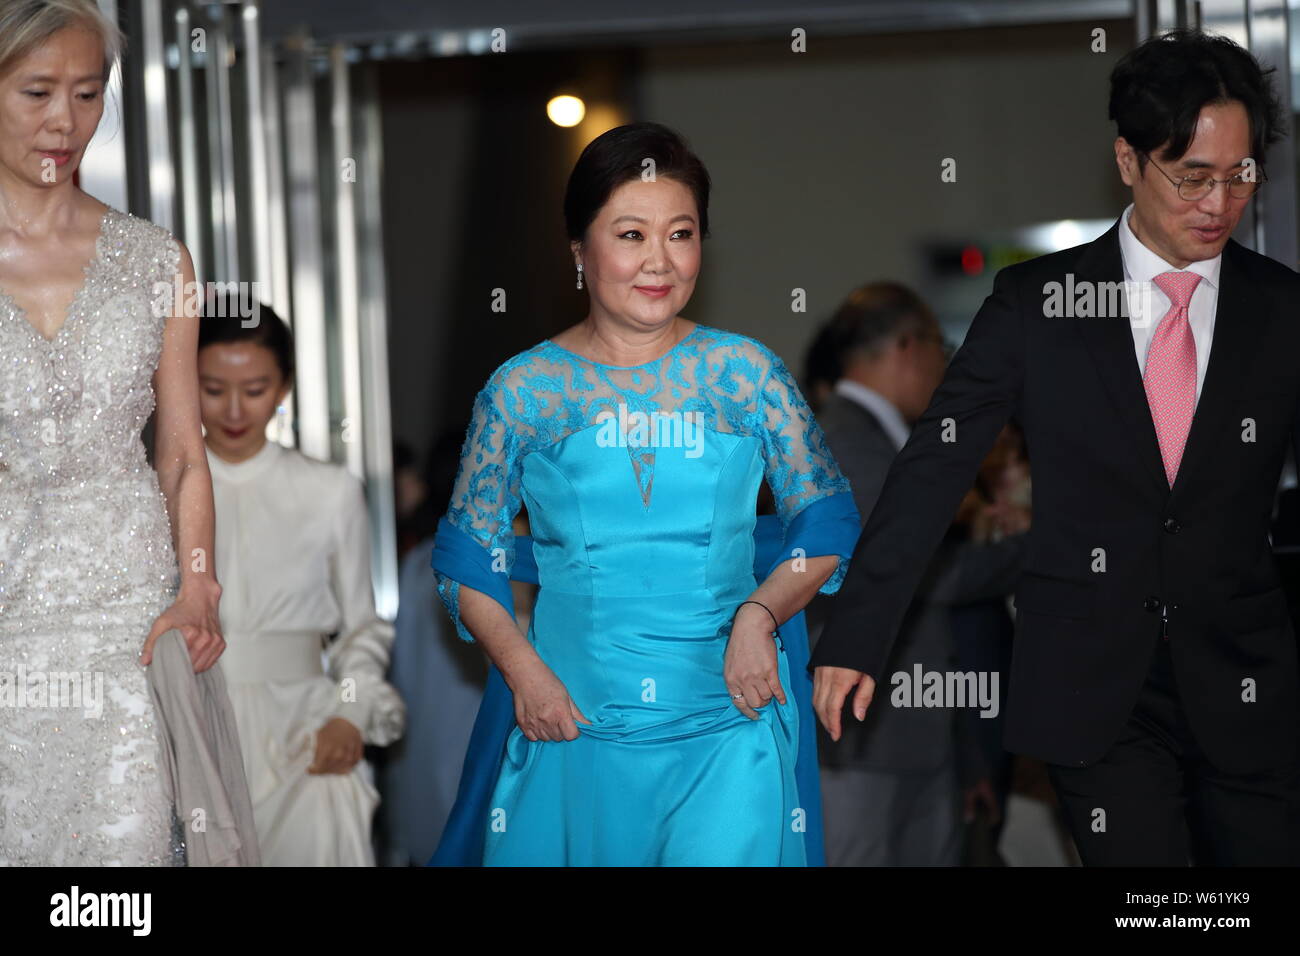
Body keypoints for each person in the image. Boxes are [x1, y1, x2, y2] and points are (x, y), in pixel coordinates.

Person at [812, 28, 1300, 866]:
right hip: (1094, 689)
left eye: (1239, 176)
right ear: (1127, 160)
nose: (1219, 204)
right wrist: (858, 634)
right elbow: (934, 466)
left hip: (1248, 688)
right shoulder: (1038, 305)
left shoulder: (1282, 309)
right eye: (1192, 178)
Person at [430, 121, 860, 866]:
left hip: (730, 718)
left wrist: (761, 615)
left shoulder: (746, 375)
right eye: (631, 234)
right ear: (579, 250)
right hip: (572, 722)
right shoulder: (523, 392)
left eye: (682, 233)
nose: (660, 261)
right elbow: (467, 560)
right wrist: (521, 670)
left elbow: (826, 521)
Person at [0, 0, 225, 865]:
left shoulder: (155, 259)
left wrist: (198, 584)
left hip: (130, 622)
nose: (67, 123)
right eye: (38, 93)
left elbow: (180, 453)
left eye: (89, 94)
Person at [806, 283, 1023, 866]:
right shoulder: (844, 442)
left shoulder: (874, 440)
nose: (942, 364)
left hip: (907, 733)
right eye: (938, 346)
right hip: (863, 741)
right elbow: (926, 578)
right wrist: (1048, 547)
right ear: (907, 345)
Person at [197, 295, 405, 865]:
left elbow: (363, 628)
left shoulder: (330, 491)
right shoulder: (157, 495)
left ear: (285, 386)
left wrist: (349, 712)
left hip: (306, 732)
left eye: (256, 389)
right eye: (213, 389)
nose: (235, 409)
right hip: (190, 723)